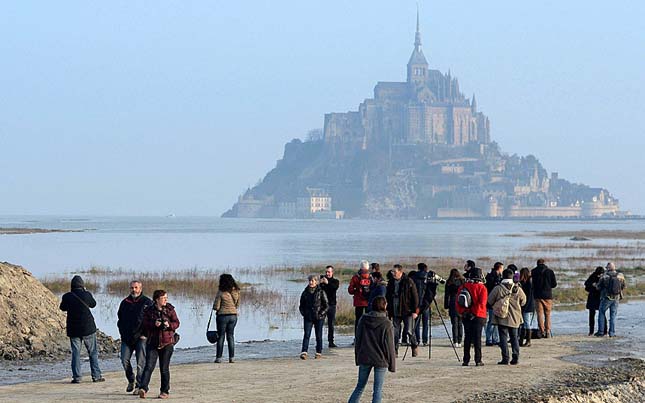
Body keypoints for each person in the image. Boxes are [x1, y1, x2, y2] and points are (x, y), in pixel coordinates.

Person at [348, 296, 395, 403]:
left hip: (365, 357)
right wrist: (392, 365)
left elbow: (358, 339)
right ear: (384, 306)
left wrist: (358, 357)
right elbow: (389, 346)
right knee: (377, 390)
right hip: (380, 359)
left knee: (360, 387)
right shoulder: (387, 323)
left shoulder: (363, 319)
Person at [59, 275, 104, 383]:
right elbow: (93, 304)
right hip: (88, 327)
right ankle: (96, 376)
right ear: (82, 285)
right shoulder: (86, 294)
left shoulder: (67, 296)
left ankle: (77, 377)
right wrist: (86, 292)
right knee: (92, 352)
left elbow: (62, 308)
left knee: (76, 353)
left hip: (73, 329)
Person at [138, 290, 180, 399]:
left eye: (166, 298)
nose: (166, 300)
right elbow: (144, 323)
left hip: (167, 342)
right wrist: (154, 324)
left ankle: (164, 391)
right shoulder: (149, 310)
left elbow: (177, 323)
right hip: (153, 342)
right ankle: (143, 388)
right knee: (149, 366)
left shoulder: (170, 309)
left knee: (164, 368)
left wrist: (169, 325)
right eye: (163, 298)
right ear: (157, 299)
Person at [117, 280, 153, 394]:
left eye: (136, 288)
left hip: (141, 338)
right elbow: (120, 320)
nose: (134, 290)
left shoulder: (147, 302)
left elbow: (151, 320)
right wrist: (122, 333)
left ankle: (139, 385)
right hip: (126, 338)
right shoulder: (124, 302)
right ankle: (131, 380)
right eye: (132, 288)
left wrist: (145, 335)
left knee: (140, 363)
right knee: (124, 360)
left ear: (140, 289)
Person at [488, 268, 526, 365]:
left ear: (503, 276)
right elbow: (523, 301)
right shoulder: (518, 289)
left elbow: (489, 301)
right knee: (514, 338)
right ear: (512, 276)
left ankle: (505, 358)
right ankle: (515, 357)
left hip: (501, 317)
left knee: (503, 338)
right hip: (515, 317)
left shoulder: (498, 288)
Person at [455, 267, 487, 367]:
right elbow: (482, 303)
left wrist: (463, 312)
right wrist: (474, 313)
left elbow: (458, 302)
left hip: (465, 315)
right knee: (477, 338)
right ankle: (478, 360)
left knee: (467, 337)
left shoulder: (463, 286)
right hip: (479, 315)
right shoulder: (482, 288)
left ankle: (466, 360)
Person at [385, 264, 419, 357]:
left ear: (400, 272)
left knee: (409, 330)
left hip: (407, 310)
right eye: (392, 272)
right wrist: (388, 309)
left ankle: (414, 345)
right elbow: (387, 296)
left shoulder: (408, 281)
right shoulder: (391, 282)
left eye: (395, 272)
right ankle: (395, 350)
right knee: (395, 332)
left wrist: (415, 311)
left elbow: (415, 297)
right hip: (395, 310)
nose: (393, 274)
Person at [410, 263, 441, 347]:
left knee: (416, 322)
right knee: (425, 323)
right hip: (426, 303)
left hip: (416, 303)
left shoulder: (413, 277)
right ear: (426, 269)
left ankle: (417, 340)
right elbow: (441, 282)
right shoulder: (429, 277)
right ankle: (425, 340)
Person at [299, 275, 329, 359]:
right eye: (310, 281)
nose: (311, 282)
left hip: (319, 317)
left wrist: (321, 314)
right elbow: (301, 305)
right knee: (306, 334)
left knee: (318, 335)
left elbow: (326, 305)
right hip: (308, 317)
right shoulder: (305, 292)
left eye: (312, 281)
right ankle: (304, 352)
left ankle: (318, 352)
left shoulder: (321, 291)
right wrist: (304, 313)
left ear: (316, 282)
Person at [213, 274, 240, 363]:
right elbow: (237, 305)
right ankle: (231, 358)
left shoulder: (221, 292)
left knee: (221, 337)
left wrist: (215, 307)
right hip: (233, 316)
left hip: (222, 316)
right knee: (231, 336)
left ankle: (219, 358)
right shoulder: (236, 291)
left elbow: (216, 307)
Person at [596, 262, 626, 337]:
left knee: (601, 312)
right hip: (616, 298)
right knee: (613, 316)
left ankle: (601, 332)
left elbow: (598, 287)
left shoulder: (604, 276)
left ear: (608, 268)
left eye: (606, 268)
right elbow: (624, 286)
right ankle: (612, 333)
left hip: (606, 298)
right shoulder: (620, 276)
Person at [531, 258, 557, 338]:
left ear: (537, 263)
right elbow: (554, 284)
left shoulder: (533, 271)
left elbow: (532, 284)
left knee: (539, 314)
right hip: (548, 296)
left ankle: (541, 331)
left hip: (537, 295)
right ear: (544, 263)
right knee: (548, 314)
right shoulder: (550, 271)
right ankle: (548, 331)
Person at [348, 260, 372, 337]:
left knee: (358, 320)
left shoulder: (356, 277)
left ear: (360, 268)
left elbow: (350, 290)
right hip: (369, 301)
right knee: (369, 320)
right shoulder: (371, 277)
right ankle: (368, 337)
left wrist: (356, 290)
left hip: (358, 302)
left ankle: (357, 337)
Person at [320, 265, 340, 348]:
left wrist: (327, 283)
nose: (327, 273)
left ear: (332, 272)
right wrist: (320, 283)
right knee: (320, 323)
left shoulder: (335, 281)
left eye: (329, 272)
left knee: (331, 324)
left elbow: (334, 288)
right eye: (326, 272)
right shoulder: (322, 281)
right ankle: (319, 341)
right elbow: (318, 290)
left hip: (332, 305)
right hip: (322, 305)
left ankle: (331, 342)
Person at [444, 268, 465, 347]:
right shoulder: (462, 282)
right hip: (461, 302)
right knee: (460, 323)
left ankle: (455, 341)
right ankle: (459, 341)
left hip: (453, 303)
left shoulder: (449, 282)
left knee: (454, 323)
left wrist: (446, 305)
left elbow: (446, 295)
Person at [484, 262, 504, 346]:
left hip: (490, 302)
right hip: (493, 302)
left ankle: (494, 339)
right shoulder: (494, 277)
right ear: (499, 268)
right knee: (492, 321)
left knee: (494, 321)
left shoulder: (490, 276)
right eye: (502, 268)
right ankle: (490, 339)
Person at [585, 266, 606, 336]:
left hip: (594, 298)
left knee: (598, 315)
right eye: (599, 274)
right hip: (596, 298)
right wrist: (593, 285)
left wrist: (593, 286)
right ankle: (593, 331)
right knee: (600, 314)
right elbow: (586, 285)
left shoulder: (593, 276)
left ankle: (602, 330)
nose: (600, 275)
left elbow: (586, 286)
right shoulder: (600, 277)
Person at [518, 268, 535, 347]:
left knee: (526, 323)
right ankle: (521, 340)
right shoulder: (527, 282)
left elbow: (527, 297)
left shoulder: (528, 283)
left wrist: (523, 306)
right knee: (524, 323)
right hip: (528, 305)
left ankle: (528, 340)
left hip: (527, 305)